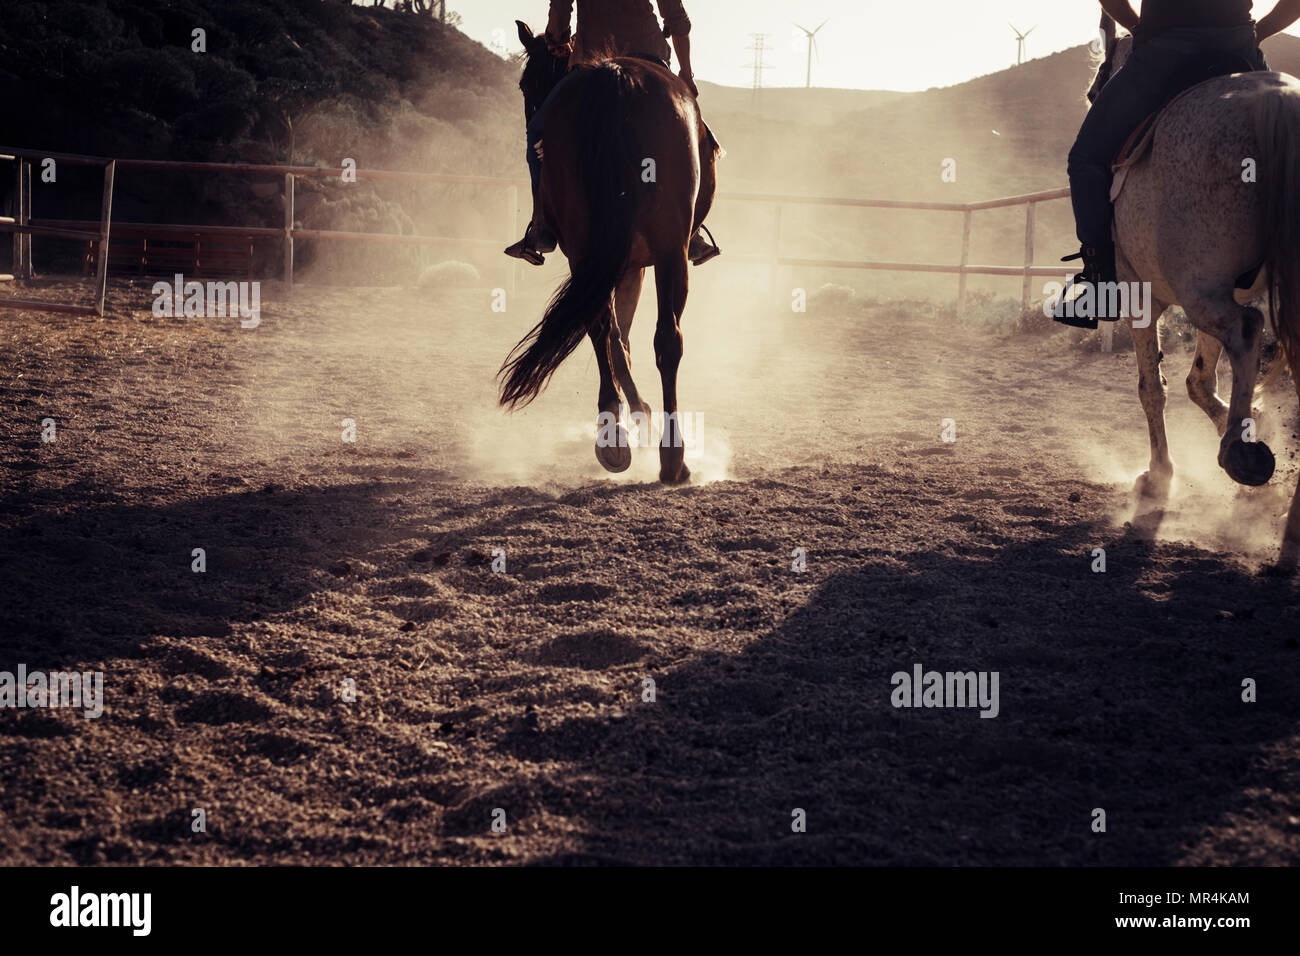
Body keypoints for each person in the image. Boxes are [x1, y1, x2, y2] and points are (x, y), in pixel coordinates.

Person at [1059, 0, 1300, 324]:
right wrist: (1259, 31)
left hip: (1164, 50)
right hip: (1238, 46)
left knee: (1085, 157)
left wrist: (1137, 27)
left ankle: (1099, 283)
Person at [505, 0, 722, 267]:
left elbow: (561, 8)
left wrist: (558, 37)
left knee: (538, 131)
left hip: (592, 61)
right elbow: (676, 17)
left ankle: (541, 226)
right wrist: (686, 73)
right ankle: (693, 229)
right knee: (695, 137)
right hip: (649, 56)